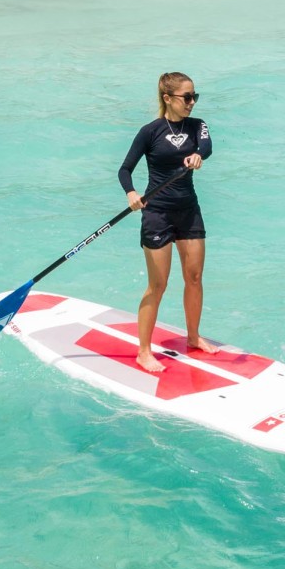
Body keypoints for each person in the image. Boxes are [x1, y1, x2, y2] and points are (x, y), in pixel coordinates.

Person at [118, 72, 213, 373]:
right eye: (187, 97)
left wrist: (198, 155)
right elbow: (125, 170)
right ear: (168, 98)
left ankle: (194, 337)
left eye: (194, 96)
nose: (192, 102)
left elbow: (207, 148)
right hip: (157, 213)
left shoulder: (198, 126)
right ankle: (143, 351)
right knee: (158, 285)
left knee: (194, 278)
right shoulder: (150, 131)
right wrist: (131, 193)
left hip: (189, 211)